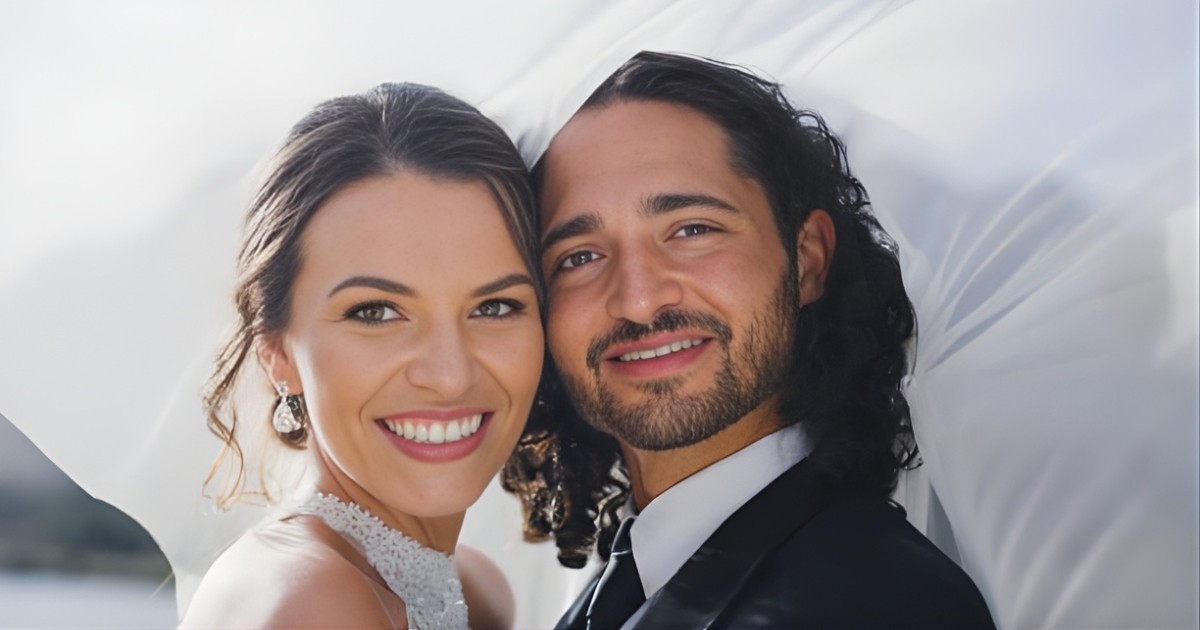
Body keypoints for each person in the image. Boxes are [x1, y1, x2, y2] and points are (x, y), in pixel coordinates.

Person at [502, 51, 997, 628]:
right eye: (579, 256)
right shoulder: (604, 602)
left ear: (807, 260)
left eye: (692, 230)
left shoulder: (890, 606)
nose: (638, 300)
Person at [179, 82, 545, 629]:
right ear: (277, 352)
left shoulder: (474, 590)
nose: (449, 375)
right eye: (375, 312)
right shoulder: (312, 605)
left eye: (494, 307)